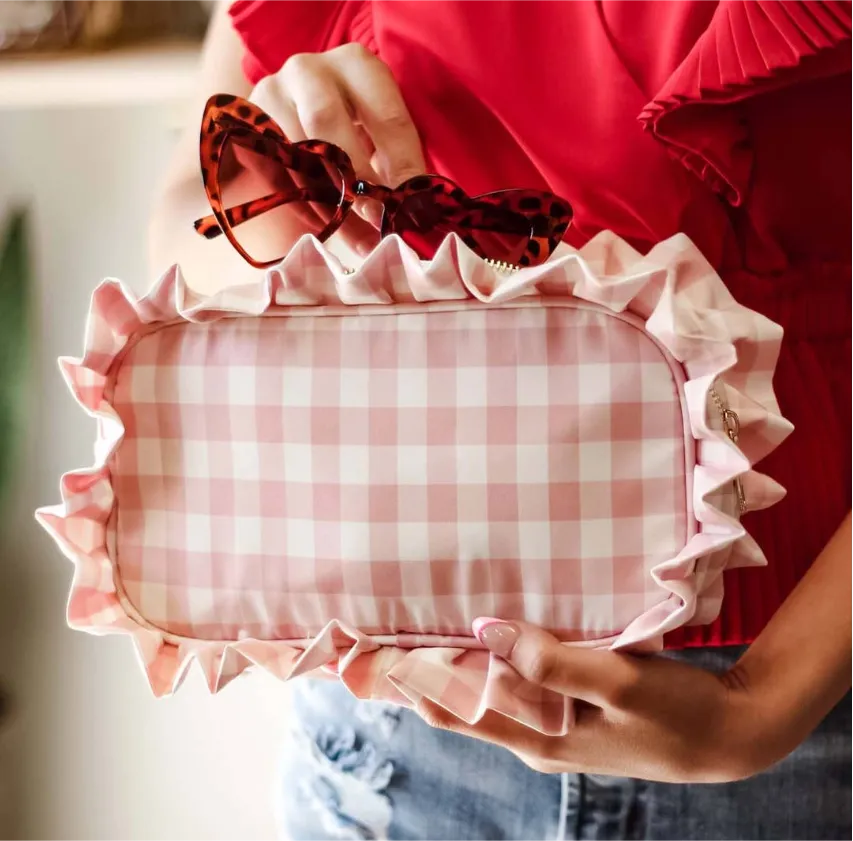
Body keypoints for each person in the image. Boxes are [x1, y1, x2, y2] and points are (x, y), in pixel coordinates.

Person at [149, 1, 852, 839]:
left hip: (804, 715)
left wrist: (763, 702)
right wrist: (285, 201)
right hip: (394, 717)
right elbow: (179, 227)